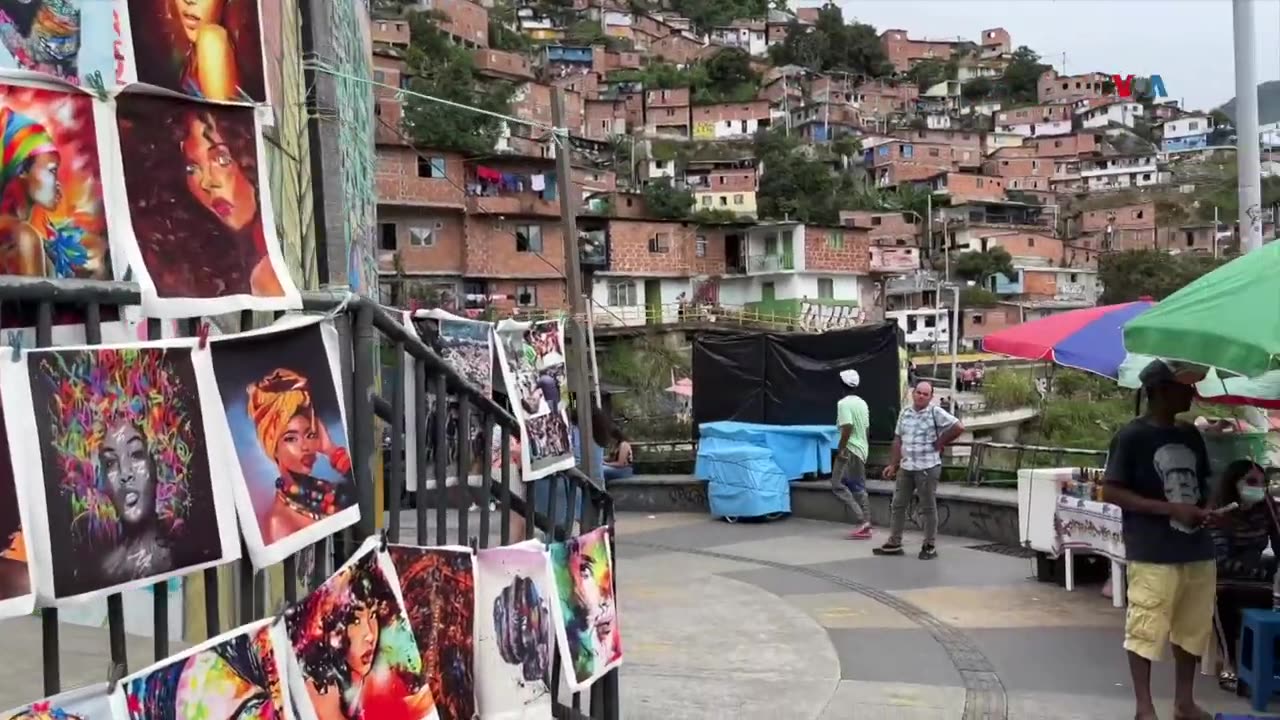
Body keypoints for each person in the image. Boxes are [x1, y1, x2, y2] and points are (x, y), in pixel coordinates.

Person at [1101, 359, 1220, 720]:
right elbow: (1112, 491)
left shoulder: (1190, 434)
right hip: (1152, 551)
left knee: (1193, 628)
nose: (1191, 392)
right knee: (1146, 627)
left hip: (1197, 548)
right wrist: (1170, 510)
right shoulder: (1131, 437)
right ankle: (1144, 706)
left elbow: (1206, 482)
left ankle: (1184, 702)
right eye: (1184, 386)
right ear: (1160, 391)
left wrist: (1211, 507)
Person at [247, 369, 355, 545]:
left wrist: (331, 450)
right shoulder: (279, 522)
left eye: (310, 435)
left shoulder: (326, 491)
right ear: (273, 447)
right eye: (291, 438)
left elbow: (365, 499)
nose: (305, 447)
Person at [1208, 459, 1279, 691]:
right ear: (1233, 483)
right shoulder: (1219, 511)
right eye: (1251, 482)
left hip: (1255, 574)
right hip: (1223, 575)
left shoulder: (1266, 508)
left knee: (1273, 596)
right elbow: (1220, 559)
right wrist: (1256, 570)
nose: (1258, 487)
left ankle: (1263, 664)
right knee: (1222, 595)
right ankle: (1230, 662)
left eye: (1263, 483)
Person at [874, 381, 963, 560]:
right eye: (918, 393)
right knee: (898, 504)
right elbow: (898, 439)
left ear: (930, 397)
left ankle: (929, 544)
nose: (921, 396)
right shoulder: (905, 412)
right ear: (913, 393)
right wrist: (893, 464)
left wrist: (941, 442)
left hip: (927, 467)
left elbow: (958, 427)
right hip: (906, 467)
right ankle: (894, 542)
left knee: (928, 506)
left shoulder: (934, 412)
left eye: (925, 394)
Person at [100, 419, 175, 584]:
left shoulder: (181, 556)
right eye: (111, 463)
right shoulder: (105, 571)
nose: (125, 473)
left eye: (136, 454)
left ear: (156, 464)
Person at [832, 369, 872, 540]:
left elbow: (847, 427)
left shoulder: (843, 404)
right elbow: (867, 428)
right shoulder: (862, 403)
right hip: (861, 449)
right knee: (857, 485)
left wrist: (841, 449)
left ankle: (863, 520)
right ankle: (865, 522)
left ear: (842, 384)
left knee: (837, 484)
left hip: (849, 449)